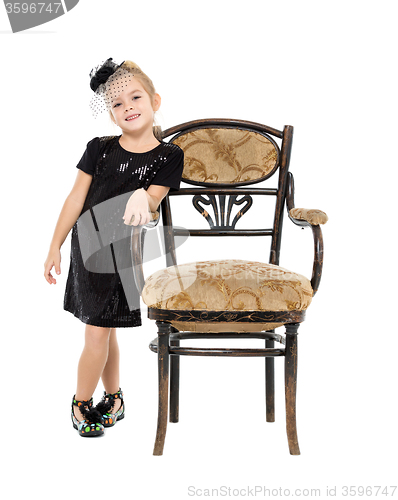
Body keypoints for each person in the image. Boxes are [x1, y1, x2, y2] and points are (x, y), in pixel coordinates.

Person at [44, 58, 184, 437]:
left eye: (135, 97)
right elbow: (76, 198)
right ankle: (82, 403)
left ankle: (112, 397)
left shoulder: (169, 156)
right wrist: (54, 245)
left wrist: (143, 193)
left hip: (124, 255)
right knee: (98, 332)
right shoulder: (99, 149)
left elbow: (154, 198)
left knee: (107, 329)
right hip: (88, 249)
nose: (128, 107)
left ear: (155, 100)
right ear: (111, 115)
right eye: (117, 104)